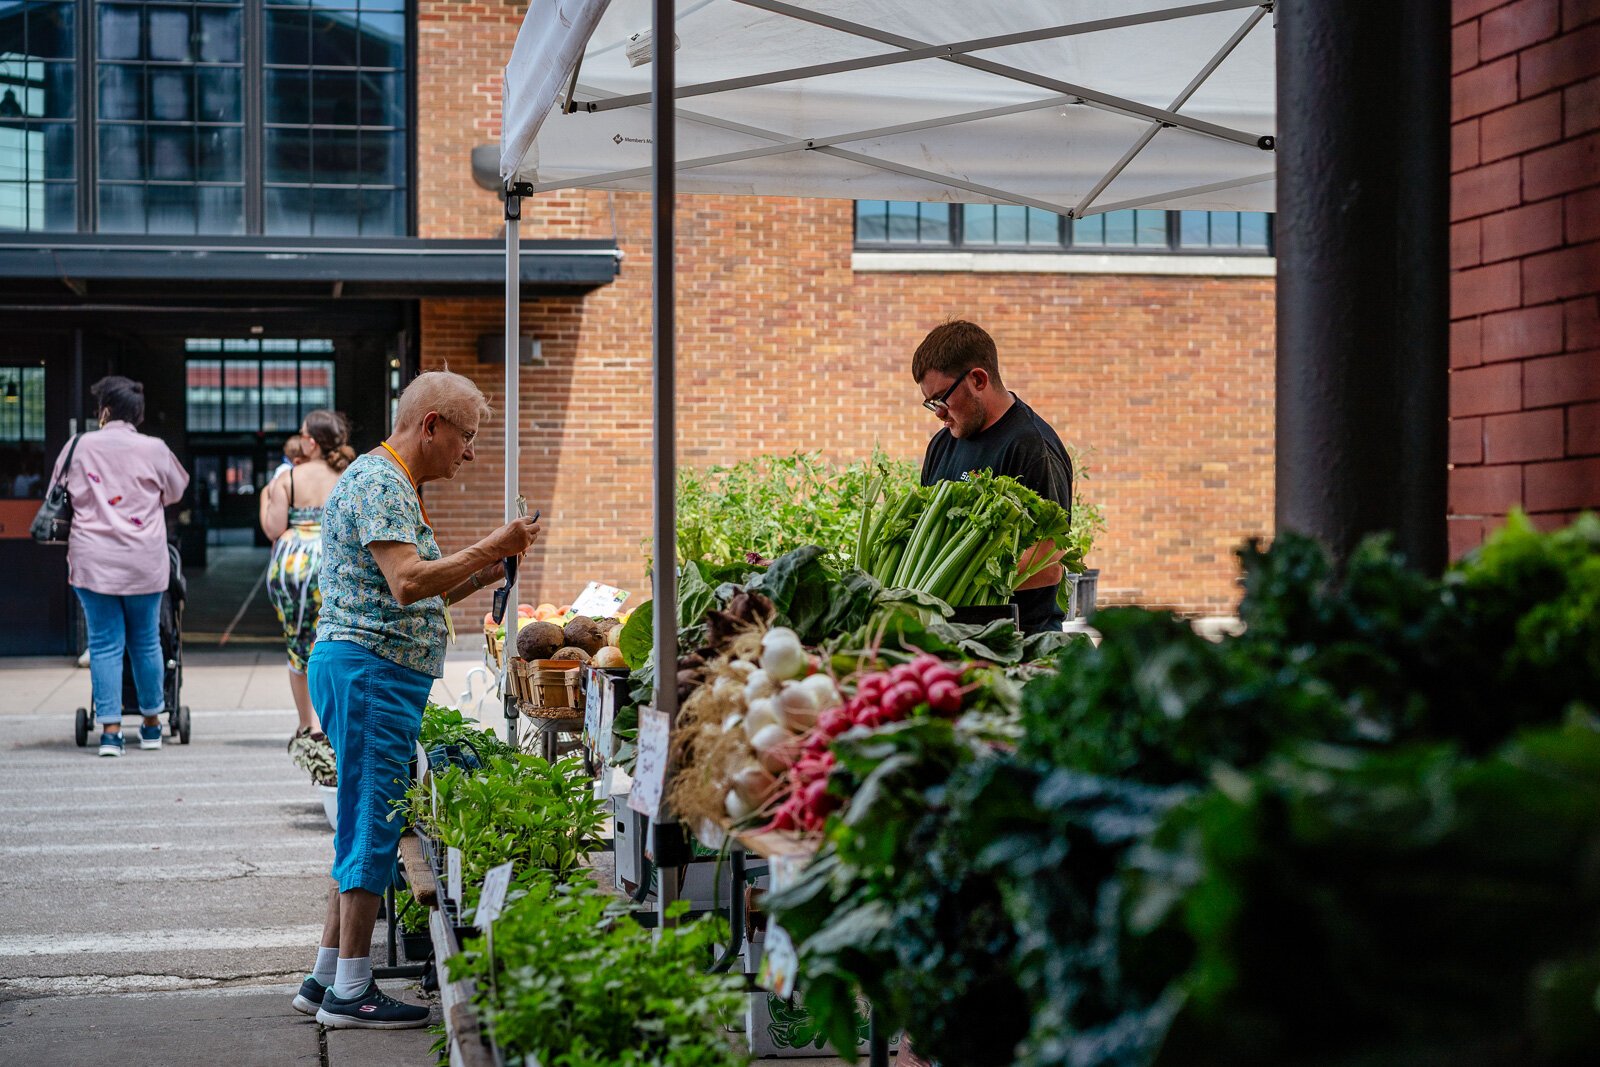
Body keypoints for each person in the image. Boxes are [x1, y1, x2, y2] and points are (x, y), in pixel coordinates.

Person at [295, 370, 539, 1029]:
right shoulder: (380, 481)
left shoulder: (389, 482)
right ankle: (352, 989)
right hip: (370, 672)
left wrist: (486, 568)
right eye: (466, 436)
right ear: (431, 423)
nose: (470, 452)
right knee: (375, 821)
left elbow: (417, 595)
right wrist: (492, 544)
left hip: (369, 667)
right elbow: (407, 583)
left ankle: (325, 976)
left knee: (359, 818)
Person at [48, 376, 189, 756]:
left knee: (104, 643)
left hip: (93, 559)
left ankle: (110, 731)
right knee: (146, 641)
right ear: (137, 414)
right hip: (144, 559)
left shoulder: (78, 446)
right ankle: (151, 725)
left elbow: (55, 492)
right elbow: (175, 491)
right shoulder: (154, 449)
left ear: (104, 410)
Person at [912, 320, 1073, 634]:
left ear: (977, 379)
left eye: (942, 398)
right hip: (953, 635)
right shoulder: (941, 445)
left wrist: (953, 575)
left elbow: (1049, 563)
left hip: (1020, 642)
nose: (939, 413)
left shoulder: (1031, 446)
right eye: (931, 402)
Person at [260, 410, 353, 749]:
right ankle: (335, 722)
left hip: (295, 569)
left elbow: (273, 529)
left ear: (311, 442)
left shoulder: (289, 478)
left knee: (297, 645)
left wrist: (265, 498)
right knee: (336, 641)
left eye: (301, 434)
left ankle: (307, 725)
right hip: (334, 562)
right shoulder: (347, 475)